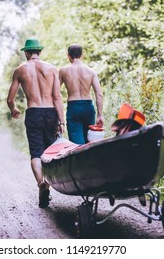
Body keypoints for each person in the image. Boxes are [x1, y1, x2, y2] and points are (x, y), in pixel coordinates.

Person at [7, 38, 65, 208]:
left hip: (33, 112)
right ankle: (51, 180)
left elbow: (10, 99)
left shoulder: (20, 70)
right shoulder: (52, 69)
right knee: (52, 151)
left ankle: (41, 183)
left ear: (26, 52)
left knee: (36, 153)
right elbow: (57, 97)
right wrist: (62, 121)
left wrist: (13, 109)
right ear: (40, 52)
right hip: (50, 112)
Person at [59, 44, 104, 144]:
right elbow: (99, 94)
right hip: (88, 107)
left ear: (68, 56)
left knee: (77, 144)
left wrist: (58, 116)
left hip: (73, 107)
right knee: (90, 141)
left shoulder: (63, 71)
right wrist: (100, 115)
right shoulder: (91, 72)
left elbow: (55, 93)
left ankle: (80, 159)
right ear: (82, 55)